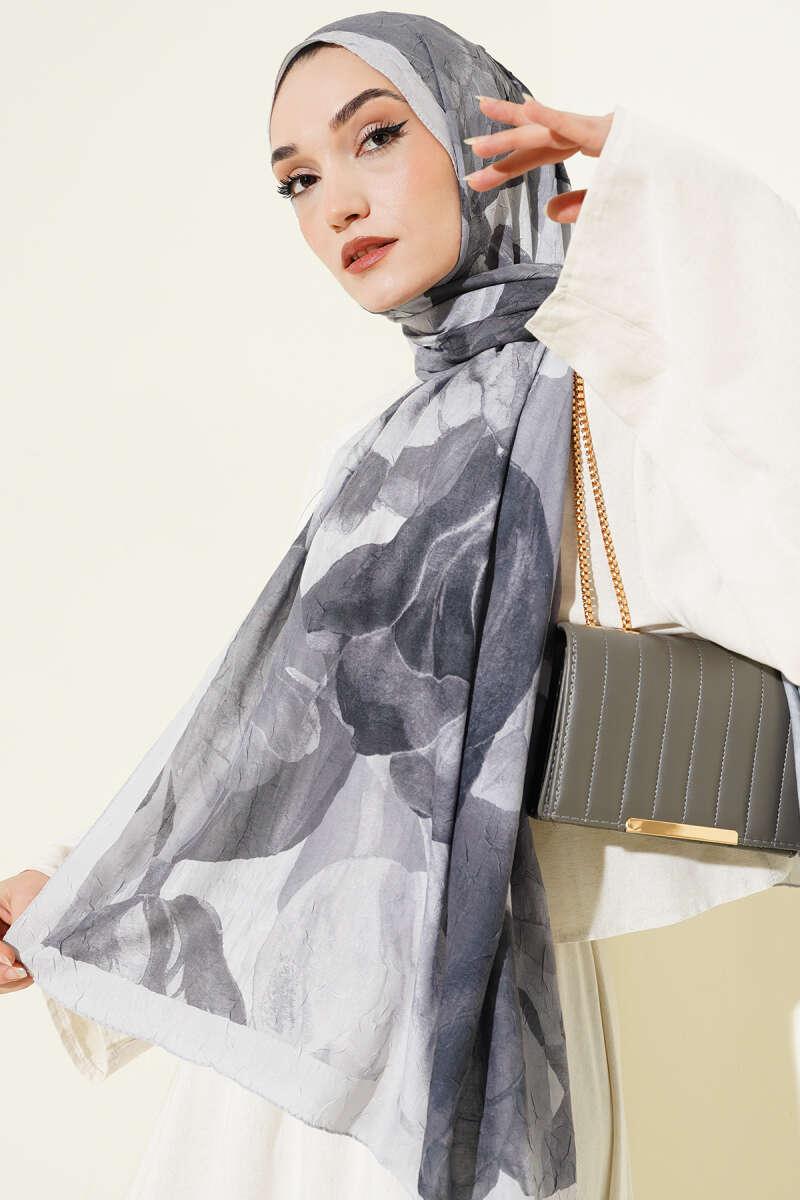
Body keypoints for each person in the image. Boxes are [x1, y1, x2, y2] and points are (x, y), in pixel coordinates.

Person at [3, 18, 799, 1200]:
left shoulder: (618, 391)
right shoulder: (370, 451)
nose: (335, 204)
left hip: (479, 1003)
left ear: (487, 142)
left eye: (375, 137)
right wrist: (73, 884)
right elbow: (275, 736)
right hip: (298, 1023)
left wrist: (664, 210)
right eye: (297, 181)